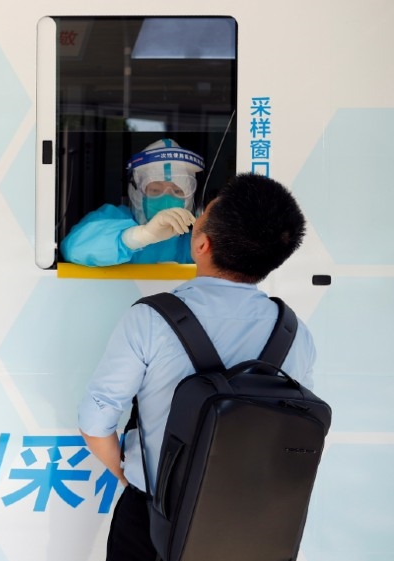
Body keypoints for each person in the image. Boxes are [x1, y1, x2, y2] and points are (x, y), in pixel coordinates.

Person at [77, 173, 314, 561]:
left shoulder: (151, 319)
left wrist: (129, 475)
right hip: (252, 521)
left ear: (200, 243)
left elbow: (95, 419)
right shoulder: (293, 332)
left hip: (155, 516)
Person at [61, 138, 205, 266]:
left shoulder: (191, 240)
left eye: (177, 191)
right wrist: (140, 236)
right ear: (136, 193)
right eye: (155, 190)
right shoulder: (113, 218)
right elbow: (73, 248)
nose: (167, 199)